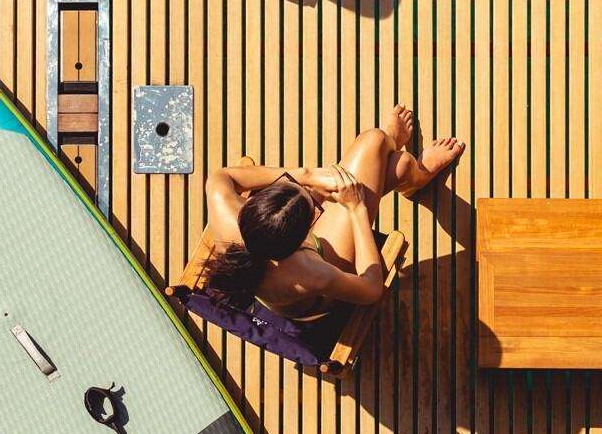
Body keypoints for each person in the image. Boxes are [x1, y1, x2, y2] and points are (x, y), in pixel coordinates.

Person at [195, 105, 464, 319]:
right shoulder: (308, 273)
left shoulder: (222, 203)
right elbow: (371, 289)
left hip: (286, 250)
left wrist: (307, 176)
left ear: (253, 207)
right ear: (306, 234)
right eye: (314, 206)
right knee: (389, 154)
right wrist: (356, 209)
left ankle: (400, 161)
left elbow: (223, 175)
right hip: (319, 297)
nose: (316, 197)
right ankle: (414, 175)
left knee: (390, 156)